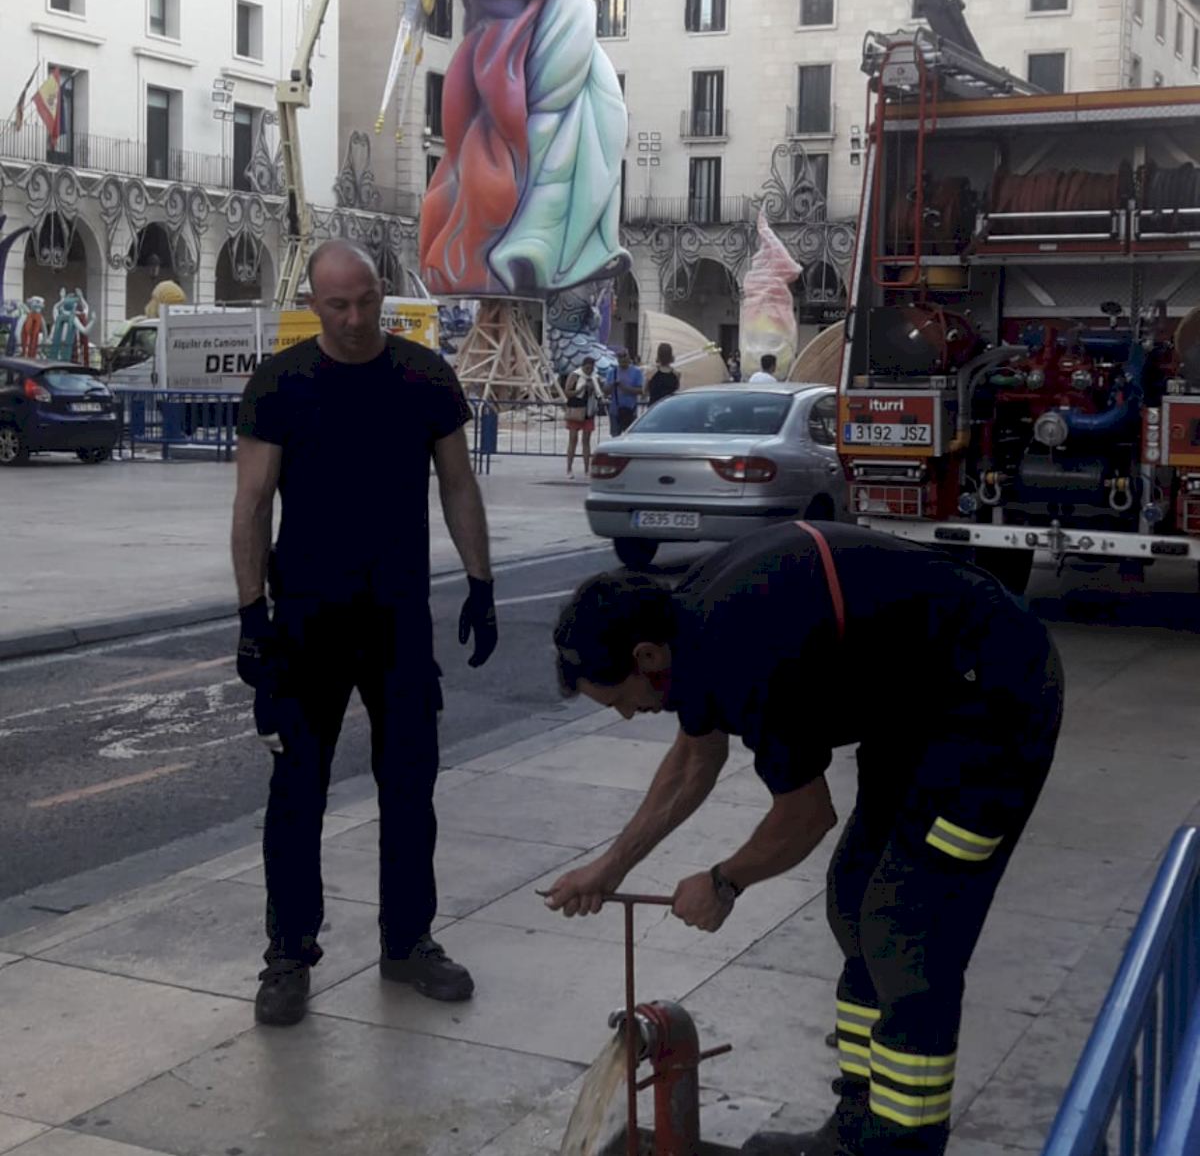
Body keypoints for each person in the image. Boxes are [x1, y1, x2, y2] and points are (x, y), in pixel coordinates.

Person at [545, 521, 1063, 1156]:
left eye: (618, 699)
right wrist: (610, 868)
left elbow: (806, 816)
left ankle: (902, 1145)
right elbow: (693, 761)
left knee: (904, 926)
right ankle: (857, 1125)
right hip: (915, 711)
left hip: (997, 710)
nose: (628, 713)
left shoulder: (748, 650)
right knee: (853, 898)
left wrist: (723, 882)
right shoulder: (689, 625)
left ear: (647, 657)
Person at [231, 239, 498, 1029]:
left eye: (366, 301)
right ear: (314, 304)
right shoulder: (281, 383)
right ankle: (288, 955)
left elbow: (458, 484)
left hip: (397, 622)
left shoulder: (425, 377)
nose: (354, 318)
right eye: (337, 305)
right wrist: (250, 616)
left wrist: (482, 583)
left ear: (381, 293)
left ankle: (408, 942)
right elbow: (252, 504)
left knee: (411, 790)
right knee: (296, 794)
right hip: (305, 624)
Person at [563, 355, 606, 478]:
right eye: (587, 368)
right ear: (583, 366)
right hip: (576, 410)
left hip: (588, 411)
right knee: (573, 440)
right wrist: (580, 390)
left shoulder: (595, 377)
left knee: (586, 441)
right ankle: (569, 468)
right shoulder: (575, 375)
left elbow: (599, 393)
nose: (589, 371)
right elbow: (567, 392)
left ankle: (587, 469)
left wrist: (596, 389)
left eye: (591, 368)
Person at [606, 346, 644, 436]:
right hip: (615, 411)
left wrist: (625, 388)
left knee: (630, 436)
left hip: (631, 410)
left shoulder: (636, 372)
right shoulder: (612, 372)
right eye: (620, 357)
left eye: (625, 356)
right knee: (615, 436)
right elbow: (605, 391)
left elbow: (640, 390)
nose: (623, 359)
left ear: (628, 356)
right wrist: (613, 385)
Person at [646, 342, 681, 407]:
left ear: (658, 355)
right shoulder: (676, 374)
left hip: (654, 407)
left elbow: (645, 391)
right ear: (671, 356)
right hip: (668, 407)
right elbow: (676, 391)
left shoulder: (651, 372)